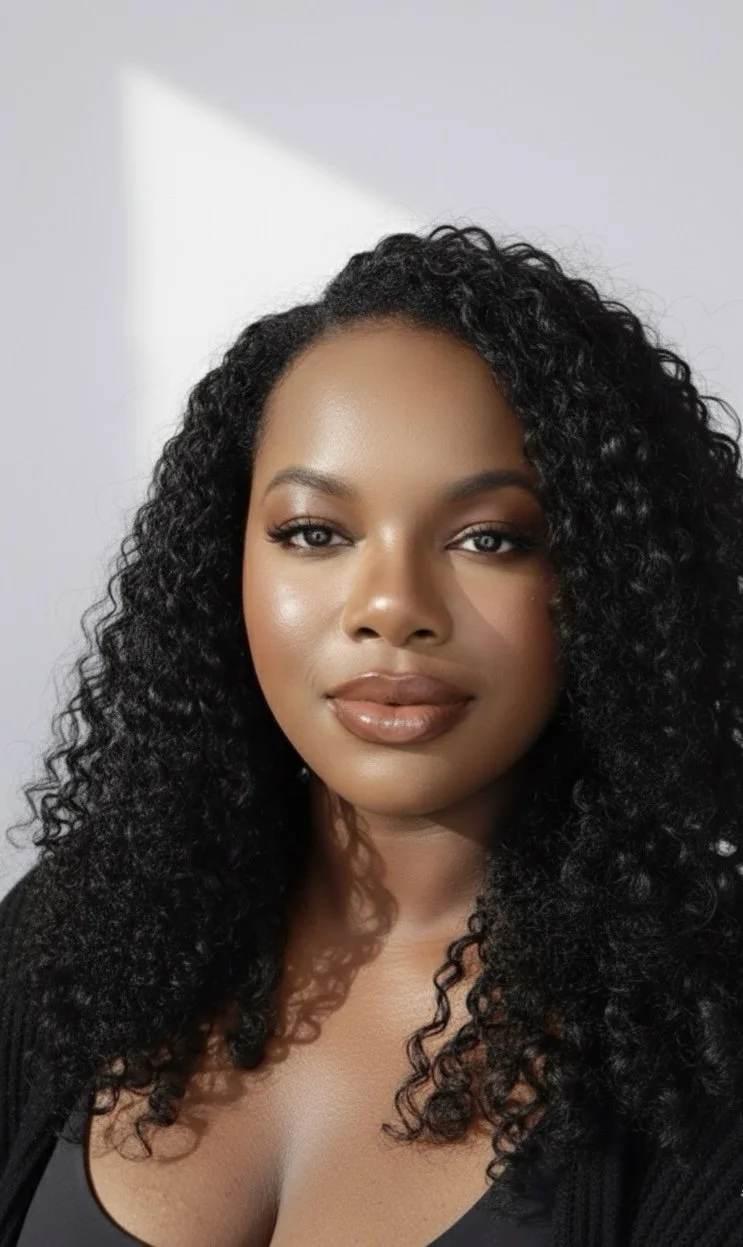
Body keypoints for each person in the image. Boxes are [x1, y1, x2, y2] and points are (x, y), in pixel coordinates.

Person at [2, 223, 743, 1246]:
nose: (390, 606)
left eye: (490, 537)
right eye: (315, 533)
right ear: (227, 564)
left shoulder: (701, 1039)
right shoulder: (71, 936)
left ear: (610, 583)